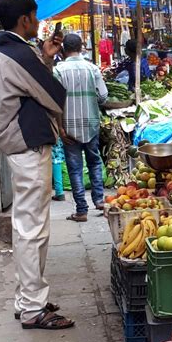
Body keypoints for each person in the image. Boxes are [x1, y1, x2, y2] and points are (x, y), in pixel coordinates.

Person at [0, 0, 74, 331]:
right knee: (32, 229)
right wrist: (44, 62)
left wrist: (46, 58)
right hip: (28, 146)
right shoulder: (20, 54)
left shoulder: (1, 54)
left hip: (18, 145)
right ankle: (34, 306)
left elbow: (33, 89)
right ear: (24, 20)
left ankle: (28, 298)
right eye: (35, 18)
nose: (37, 24)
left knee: (29, 226)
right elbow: (54, 94)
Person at [54, 34, 108, 222]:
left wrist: (60, 128)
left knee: (75, 169)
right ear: (82, 47)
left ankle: (81, 210)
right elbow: (103, 96)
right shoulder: (92, 69)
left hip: (68, 127)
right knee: (94, 163)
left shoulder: (58, 71)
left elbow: (55, 102)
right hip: (91, 124)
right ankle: (99, 200)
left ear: (63, 50)